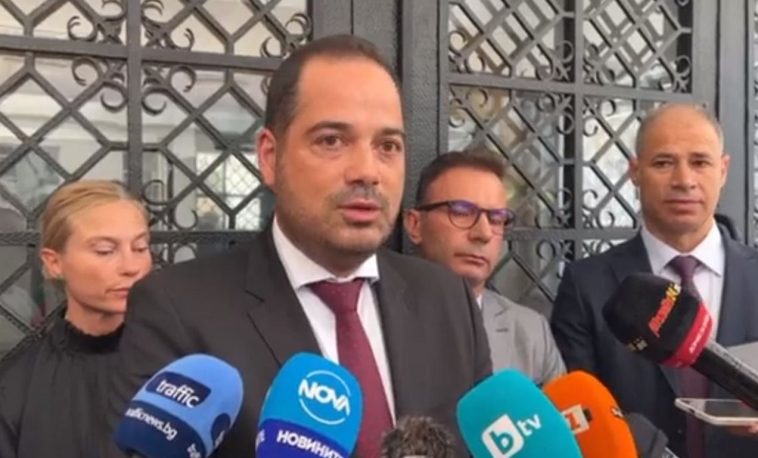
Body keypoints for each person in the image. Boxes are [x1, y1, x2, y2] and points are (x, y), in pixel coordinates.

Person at [104, 34, 491, 457]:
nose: (367, 171)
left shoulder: (446, 300)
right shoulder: (177, 311)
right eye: (331, 140)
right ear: (270, 157)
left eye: (387, 146)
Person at [550, 103, 758, 457]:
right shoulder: (586, 286)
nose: (684, 180)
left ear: (723, 170)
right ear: (635, 172)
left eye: (700, 162)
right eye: (663, 163)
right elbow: (581, 419)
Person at [0, 180, 153, 458]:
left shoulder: (179, 368)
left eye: (140, 248)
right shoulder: (16, 387)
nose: (131, 267)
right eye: (105, 251)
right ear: (54, 262)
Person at [404, 150, 565, 385]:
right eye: (461, 212)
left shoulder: (531, 334)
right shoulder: (374, 318)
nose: (483, 233)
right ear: (415, 225)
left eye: (496, 219)